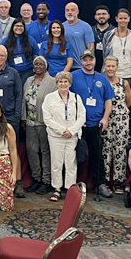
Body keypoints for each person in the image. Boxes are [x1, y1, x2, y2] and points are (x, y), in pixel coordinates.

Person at [71, 49, 115, 199]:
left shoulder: (102, 79)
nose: (88, 62)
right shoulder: (73, 76)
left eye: (91, 59)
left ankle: (100, 183)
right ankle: (73, 184)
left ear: (95, 61)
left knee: (97, 156)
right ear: (81, 61)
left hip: (97, 124)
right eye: (85, 60)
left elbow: (108, 101)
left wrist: (105, 118)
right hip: (79, 125)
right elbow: (68, 99)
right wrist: (75, 120)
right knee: (76, 156)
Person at [42, 71, 86, 202]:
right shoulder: (49, 98)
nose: (63, 84)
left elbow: (82, 116)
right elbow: (47, 118)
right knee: (56, 163)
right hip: (56, 136)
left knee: (71, 163)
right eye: (60, 81)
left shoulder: (76, 98)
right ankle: (57, 189)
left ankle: (70, 189)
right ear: (56, 83)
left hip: (72, 136)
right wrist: (62, 130)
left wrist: (71, 131)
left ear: (70, 83)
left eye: (65, 81)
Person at [22, 56, 56, 194]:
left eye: (41, 64)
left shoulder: (52, 82)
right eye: (36, 64)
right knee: (31, 150)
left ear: (46, 66)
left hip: (44, 123)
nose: (38, 66)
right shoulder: (28, 80)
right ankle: (36, 178)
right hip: (30, 122)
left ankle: (46, 180)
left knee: (45, 151)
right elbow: (23, 100)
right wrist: (23, 118)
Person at [102, 55, 131, 192]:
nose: (110, 68)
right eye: (108, 66)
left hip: (121, 120)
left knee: (120, 149)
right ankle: (106, 181)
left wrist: (120, 113)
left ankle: (119, 181)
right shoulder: (101, 82)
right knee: (106, 149)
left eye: (113, 66)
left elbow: (128, 102)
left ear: (117, 67)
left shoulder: (124, 83)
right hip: (106, 120)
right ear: (104, 67)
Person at [101, 8, 131, 82]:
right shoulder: (108, 35)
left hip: (128, 74)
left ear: (129, 19)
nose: (123, 20)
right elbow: (104, 54)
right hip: (112, 73)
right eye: (120, 18)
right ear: (116, 19)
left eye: (125, 18)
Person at [3, 19, 38, 84]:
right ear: (12, 27)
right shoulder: (5, 40)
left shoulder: (30, 39)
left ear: (24, 28)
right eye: (17, 26)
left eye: (21, 26)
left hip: (28, 70)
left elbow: (35, 56)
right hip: (11, 70)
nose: (19, 28)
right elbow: (2, 55)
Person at [63, 2, 95, 69]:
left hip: (80, 66)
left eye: (72, 10)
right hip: (64, 66)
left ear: (77, 12)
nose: (69, 12)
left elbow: (91, 48)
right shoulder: (61, 27)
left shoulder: (86, 26)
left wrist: (88, 64)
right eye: (67, 10)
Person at [92, 5, 113, 70]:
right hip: (93, 66)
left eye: (104, 14)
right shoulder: (90, 30)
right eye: (98, 14)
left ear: (108, 16)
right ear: (95, 17)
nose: (101, 16)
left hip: (110, 66)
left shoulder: (114, 31)